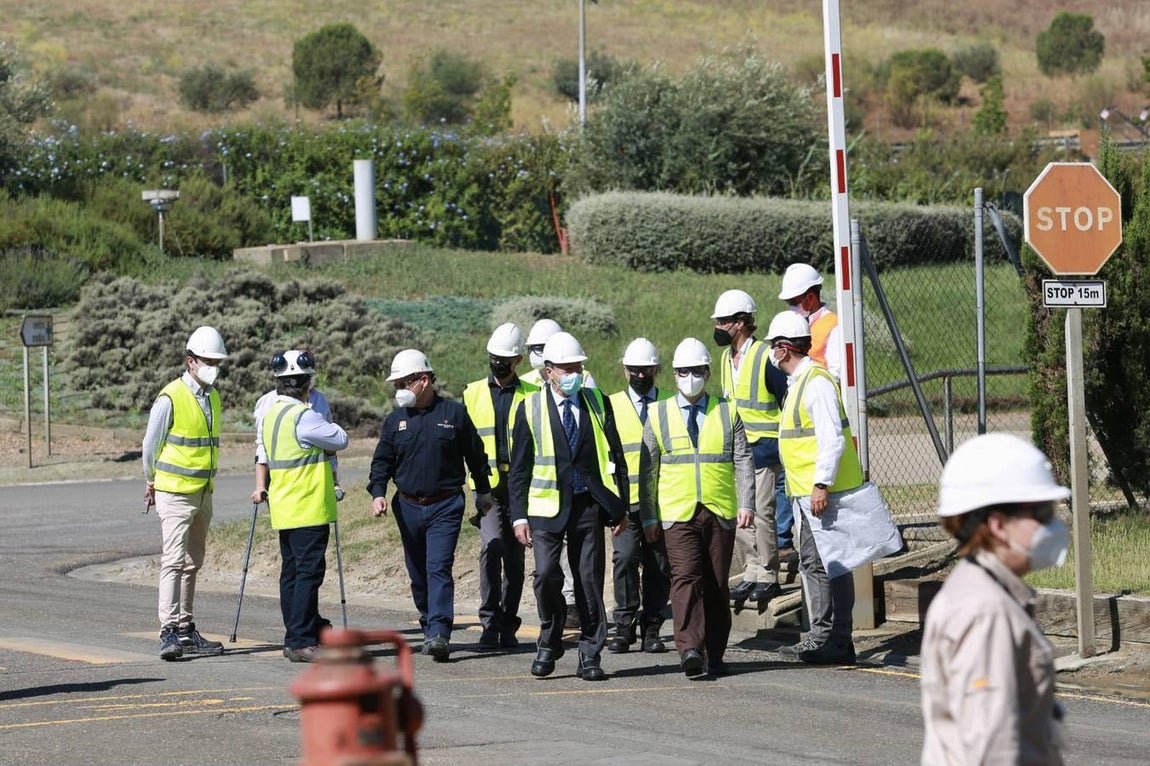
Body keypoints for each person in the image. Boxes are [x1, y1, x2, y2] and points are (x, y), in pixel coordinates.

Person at [921, 433, 1070, 765]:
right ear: (999, 524)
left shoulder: (980, 590)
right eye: (1041, 512)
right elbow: (992, 748)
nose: (1053, 524)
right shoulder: (985, 611)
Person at [508, 331, 629, 682]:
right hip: (545, 508)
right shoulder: (530, 408)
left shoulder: (597, 401)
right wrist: (518, 516)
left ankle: (590, 653)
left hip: (588, 505)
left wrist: (619, 507)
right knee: (547, 575)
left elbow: (616, 456)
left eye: (578, 367)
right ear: (549, 371)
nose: (574, 373)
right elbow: (519, 469)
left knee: (588, 581)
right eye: (567, 368)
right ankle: (550, 640)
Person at [368, 349, 493, 662]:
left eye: (404, 383)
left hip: (445, 505)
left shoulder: (454, 414)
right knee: (418, 572)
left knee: (438, 566)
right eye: (396, 385)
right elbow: (382, 461)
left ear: (423, 380)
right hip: (408, 506)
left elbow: (476, 455)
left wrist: (484, 492)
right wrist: (378, 492)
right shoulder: (395, 420)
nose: (399, 390)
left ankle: (439, 632)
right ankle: (428, 622)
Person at [640, 338, 755, 677]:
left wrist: (746, 502)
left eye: (696, 371)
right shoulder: (658, 413)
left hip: (719, 510)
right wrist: (648, 515)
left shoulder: (727, 410)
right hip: (677, 512)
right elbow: (648, 471)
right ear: (674, 375)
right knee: (685, 578)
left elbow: (743, 459)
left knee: (717, 583)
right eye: (683, 372)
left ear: (708, 373)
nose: (690, 377)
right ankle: (690, 648)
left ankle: (715, 652)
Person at [768, 311, 863, 665]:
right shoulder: (801, 382)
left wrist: (821, 484)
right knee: (818, 562)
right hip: (808, 494)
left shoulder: (815, 383)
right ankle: (827, 638)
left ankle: (833, 639)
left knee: (827, 563)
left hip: (822, 493)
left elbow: (831, 439)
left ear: (783, 349)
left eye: (773, 346)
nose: (771, 353)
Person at [142, 325, 229, 661]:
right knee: (173, 560)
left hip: (203, 491)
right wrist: (150, 479)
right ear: (190, 361)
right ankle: (168, 630)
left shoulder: (213, 397)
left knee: (193, 562)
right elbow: (150, 445)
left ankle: (184, 628)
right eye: (208, 361)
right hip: (175, 491)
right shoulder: (170, 396)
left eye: (217, 362)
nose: (214, 367)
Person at [257, 352, 349, 662]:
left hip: (285, 506)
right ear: (308, 383)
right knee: (308, 575)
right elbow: (340, 438)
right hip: (309, 505)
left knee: (292, 574)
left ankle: (295, 635)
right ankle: (301, 640)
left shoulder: (272, 414)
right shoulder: (304, 416)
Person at [462, 323, 538, 650]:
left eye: (504, 359)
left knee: (515, 559)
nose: (498, 363)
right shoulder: (472, 393)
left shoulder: (533, 395)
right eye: (494, 357)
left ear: (518, 360)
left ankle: (508, 622)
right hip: (488, 488)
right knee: (491, 547)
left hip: (522, 488)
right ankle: (489, 623)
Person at [711, 288, 787, 607]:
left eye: (723, 322)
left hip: (764, 449)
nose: (718, 327)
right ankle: (752, 571)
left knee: (763, 514)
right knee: (741, 514)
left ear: (741, 323)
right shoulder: (725, 359)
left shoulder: (765, 356)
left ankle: (768, 575)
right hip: (736, 450)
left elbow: (785, 398)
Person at [522, 317, 593, 627]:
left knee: (582, 567)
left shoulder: (588, 389)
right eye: (534, 348)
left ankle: (578, 613)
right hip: (545, 498)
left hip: (581, 494)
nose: (536, 354)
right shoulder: (527, 389)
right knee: (547, 570)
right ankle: (552, 620)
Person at [605, 338, 672, 654]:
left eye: (646, 370)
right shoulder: (611, 405)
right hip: (625, 502)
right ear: (625, 370)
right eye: (635, 370)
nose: (641, 376)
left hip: (662, 503)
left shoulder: (670, 404)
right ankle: (624, 626)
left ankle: (652, 628)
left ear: (656, 369)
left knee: (659, 566)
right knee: (625, 558)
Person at [252, 349, 342, 506]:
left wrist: (334, 481)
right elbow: (262, 447)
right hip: (281, 483)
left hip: (316, 479)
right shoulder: (267, 402)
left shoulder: (319, 399)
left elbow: (330, 446)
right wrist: (260, 486)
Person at [778, 263, 842, 380]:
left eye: (794, 302)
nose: (791, 307)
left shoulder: (833, 325)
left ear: (811, 298)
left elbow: (836, 375)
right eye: (788, 303)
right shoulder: (793, 325)